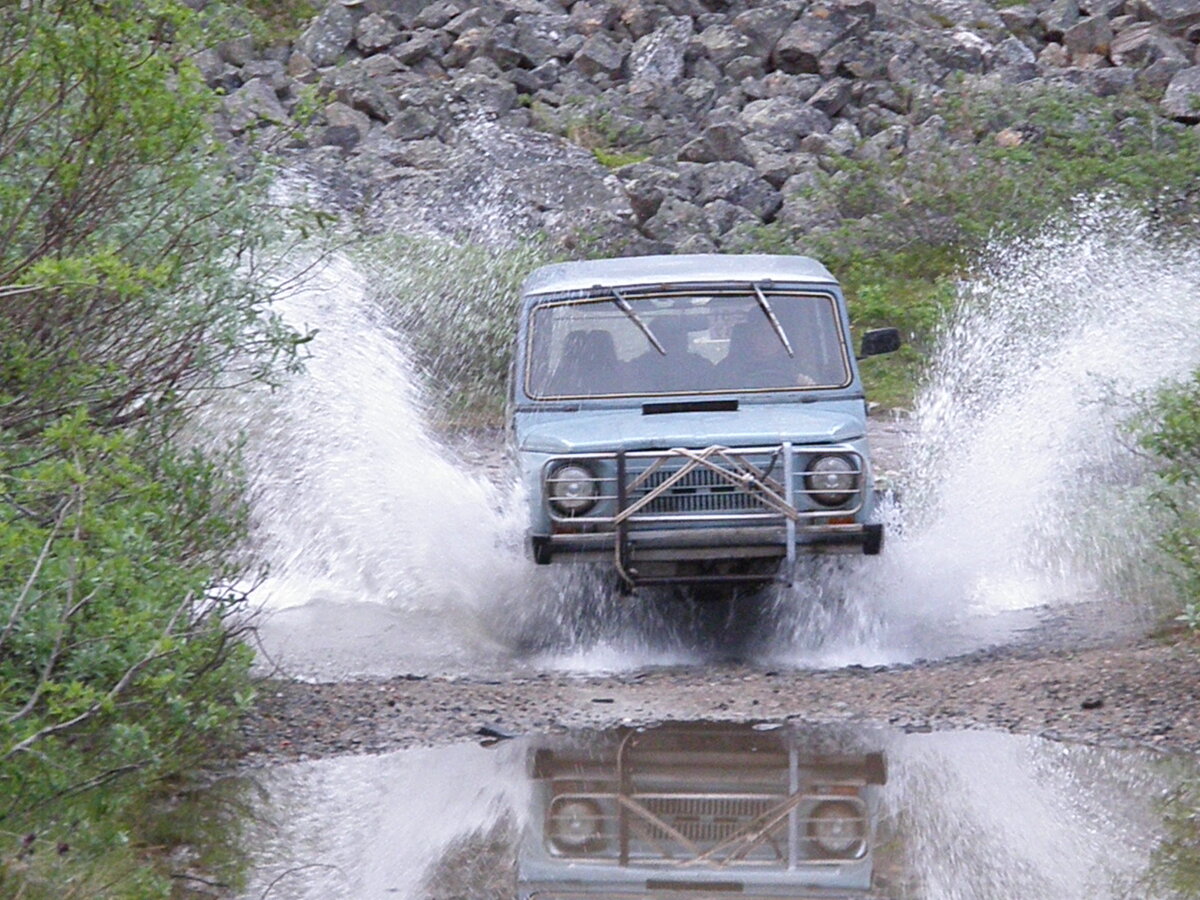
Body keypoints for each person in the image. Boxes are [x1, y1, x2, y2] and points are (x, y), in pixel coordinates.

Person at [628, 317, 714, 392]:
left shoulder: (702, 367)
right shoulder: (636, 370)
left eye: (676, 337)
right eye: (666, 338)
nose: (671, 342)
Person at [715, 319, 807, 389]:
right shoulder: (728, 368)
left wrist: (806, 385)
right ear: (751, 337)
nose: (767, 339)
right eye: (761, 333)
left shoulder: (798, 365)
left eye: (774, 334)